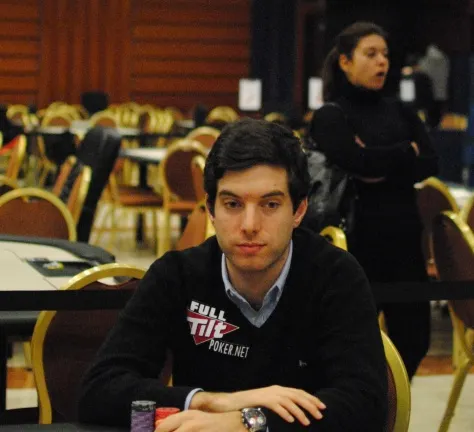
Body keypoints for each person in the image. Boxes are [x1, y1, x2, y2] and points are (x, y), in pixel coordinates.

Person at [78, 118, 387, 431]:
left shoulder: (336, 277)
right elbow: (99, 392)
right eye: (232, 204)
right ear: (211, 210)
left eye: (270, 204)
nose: (249, 225)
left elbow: (365, 407)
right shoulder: (176, 275)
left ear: (298, 211)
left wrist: (248, 423)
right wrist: (210, 401)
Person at [307, 22, 438, 380]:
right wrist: (404, 152)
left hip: (405, 238)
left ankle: (391, 402)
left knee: (415, 340)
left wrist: (377, 161)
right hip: (356, 240)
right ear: (345, 61)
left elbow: (430, 162)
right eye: (371, 54)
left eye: (385, 54)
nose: (382, 61)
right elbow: (357, 162)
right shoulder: (331, 114)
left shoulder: (401, 111)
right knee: (352, 344)